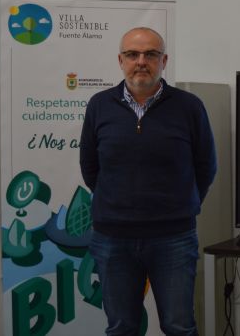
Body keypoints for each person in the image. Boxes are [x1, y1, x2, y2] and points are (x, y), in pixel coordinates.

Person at [80, 27, 217, 335]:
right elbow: (90, 166)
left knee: (179, 327)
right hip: (113, 238)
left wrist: (180, 205)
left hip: (173, 238)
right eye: (132, 54)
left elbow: (206, 165)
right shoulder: (99, 105)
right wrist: (114, 202)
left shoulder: (189, 106)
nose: (141, 61)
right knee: (120, 327)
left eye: (150, 54)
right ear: (121, 60)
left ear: (163, 61)